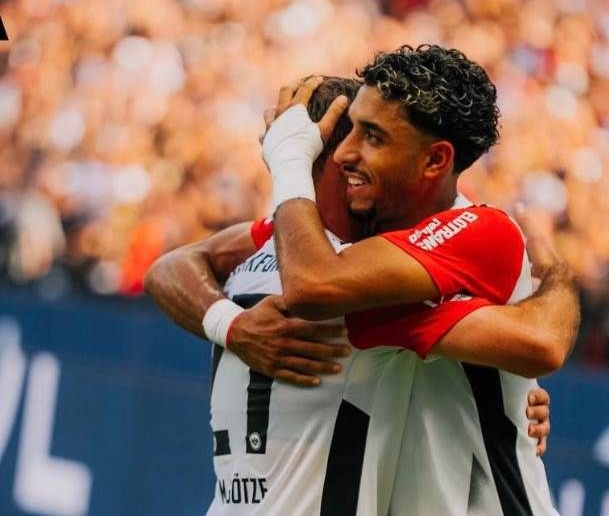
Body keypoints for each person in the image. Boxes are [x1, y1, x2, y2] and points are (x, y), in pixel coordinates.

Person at [147, 76, 574, 514]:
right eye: (360, 139)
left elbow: (169, 267)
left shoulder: (263, 248)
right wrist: (557, 276)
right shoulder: (353, 289)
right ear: (335, 161)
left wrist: (229, 325)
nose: (359, 153)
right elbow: (541, 342)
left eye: (373, 139)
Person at [260, 45, 579, 514]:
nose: (344, 152)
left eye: (372, 136)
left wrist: (557, 275)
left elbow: (311, 286)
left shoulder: (480, 230)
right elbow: (186, 264)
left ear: (435, 161)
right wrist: (226, 323)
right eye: (351, 130)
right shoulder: (361, 246)